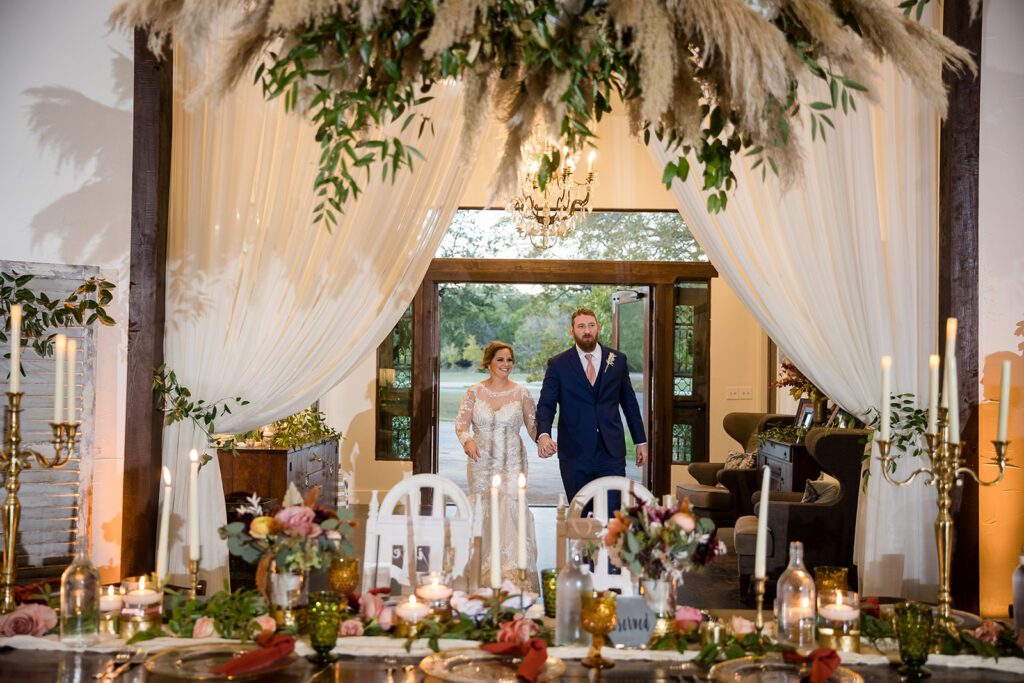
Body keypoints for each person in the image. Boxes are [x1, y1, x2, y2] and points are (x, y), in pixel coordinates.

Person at [536, 308, 648, 509]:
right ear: (572, 331)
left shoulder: (618, 360)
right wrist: (543, 434)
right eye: (581, 326)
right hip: (574, 452)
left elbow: (629, 403)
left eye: (590, 325)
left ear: (598, 327)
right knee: (581, 514)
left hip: (611, 451)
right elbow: (546, 404)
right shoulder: (558, 364)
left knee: (612, 513)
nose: (586, 331)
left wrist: (640, 440)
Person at [455, 341, 539, 589]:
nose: (506, 364)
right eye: (500, 359)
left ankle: (512, 572)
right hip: (481, 460)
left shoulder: (522, 393)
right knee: (482, 506)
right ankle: (479, 569)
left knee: (511, 507)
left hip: (512, 460)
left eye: (510, 360)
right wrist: (467, 440)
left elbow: (534, 429)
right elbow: (461, 424)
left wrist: (545, 441)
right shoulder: (474, 391)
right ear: (489, 362)